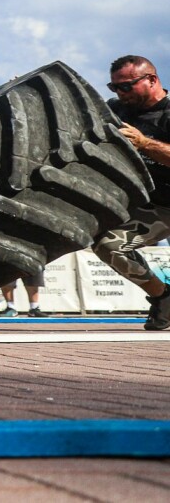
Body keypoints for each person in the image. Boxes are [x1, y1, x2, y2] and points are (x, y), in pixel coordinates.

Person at [92, 55, 170, 330]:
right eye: (114, 88)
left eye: (127, 86)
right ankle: (163, 296)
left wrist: (145, 143)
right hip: (151, 206)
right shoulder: (117, 110)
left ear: (152, 79)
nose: (120, 93)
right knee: (108, 246)